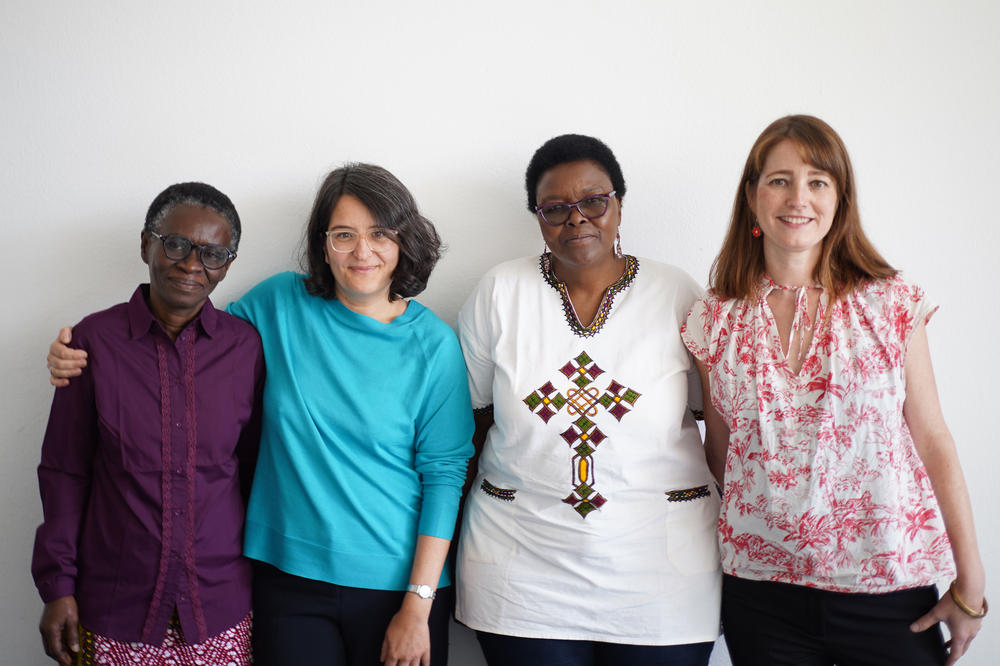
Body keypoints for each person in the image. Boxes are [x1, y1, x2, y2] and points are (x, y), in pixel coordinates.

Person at [48, 163, 474, 666]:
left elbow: (445, 476)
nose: (363, 252)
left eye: (380, 233)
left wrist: (418, 604)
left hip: (399, 586)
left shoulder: (434, 345)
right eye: (344, 235)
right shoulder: (278, 304)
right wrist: (79, 351)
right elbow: (186, 341)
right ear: (322, 244)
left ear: (404, 241)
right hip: (286, 583)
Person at [681, 114, 987, 666]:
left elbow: (933, 438)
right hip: (762, 595)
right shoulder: (713, 319)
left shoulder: (892, 304)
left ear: (839, 199)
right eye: (779, 180)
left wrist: (972, 584)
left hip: (887, 592)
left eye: (818, 181)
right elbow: (721, 452)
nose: (798, 197)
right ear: (751, 197)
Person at [455, 134, 721, 666]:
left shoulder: (678, 295)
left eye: (594, 202)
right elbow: (472, 420)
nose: (576, 220)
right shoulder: (500, 292)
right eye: (555, 208)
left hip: (660, 571)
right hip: (523, 565)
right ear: (537, 217)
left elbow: (711, 418)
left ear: (619, 204)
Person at [33, 182, 264, 666]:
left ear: (228, 265)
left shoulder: (246, 349)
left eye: (213, 253)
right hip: (115, 604)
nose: (191, 264)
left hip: (218, 605)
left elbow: (250, 469)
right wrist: (58, 585)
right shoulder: (92, 342)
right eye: (176, 244)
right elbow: (64, 472)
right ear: (146, 244)